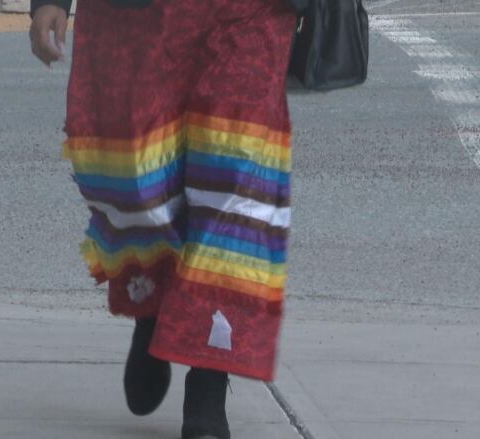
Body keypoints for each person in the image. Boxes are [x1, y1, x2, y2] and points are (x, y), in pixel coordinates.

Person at [29, 0, 297, 437]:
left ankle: (209, 378)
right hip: (132, 15)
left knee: (234, 172)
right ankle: (151, 306)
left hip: (252, 11)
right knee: (136, 175)